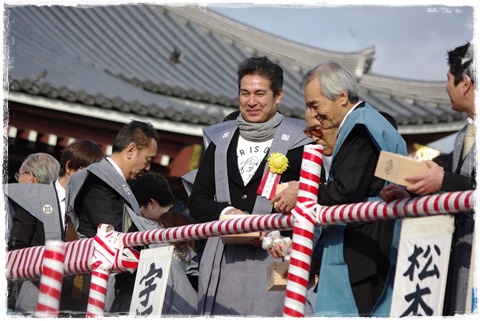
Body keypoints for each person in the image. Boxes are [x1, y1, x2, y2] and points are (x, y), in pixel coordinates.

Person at [272, 61, 407, 317]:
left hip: (364, 249)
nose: (313, 114)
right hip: (361, 244)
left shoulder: (361, 126)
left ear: (342, 96)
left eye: (314, 105)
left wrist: (302, 189)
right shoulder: (361, 123)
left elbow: (346, 190)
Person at [188, 56, 310, 316]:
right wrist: (228, 214)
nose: (251, 101)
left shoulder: (300, 139)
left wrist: (299, 190)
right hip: (222, 256)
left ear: (278, 96)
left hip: (276, 256)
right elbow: (198, 200)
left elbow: (315, 196)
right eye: (245, 93)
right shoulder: (219, 139)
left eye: (260, 93)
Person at [380, 42, 475, 315]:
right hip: (458, 253)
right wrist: (413, 192)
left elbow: (454, 183)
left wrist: (442, 181)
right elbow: (456, 182)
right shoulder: (462, 135)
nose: (446, 87)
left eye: (448, 79)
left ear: (465, 83)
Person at [6, 140, 104, 315]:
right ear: (69, 167)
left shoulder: (90, 208)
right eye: (87, 172)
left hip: (76, 303)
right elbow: (16, 249)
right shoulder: (34, 198)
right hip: (34, 298)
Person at [66, 120, 160, 238]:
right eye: (148, 160)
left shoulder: (116, 181)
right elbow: (115, 232)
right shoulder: (97, 180)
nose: (148, 167)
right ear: (131, 150)